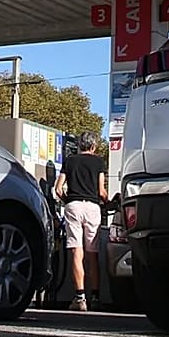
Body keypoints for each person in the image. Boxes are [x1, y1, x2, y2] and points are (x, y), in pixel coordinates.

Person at [55, 132, 107, 312]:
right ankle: (95, 298)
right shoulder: (99, 162)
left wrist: (67, 201)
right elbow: (101, 191)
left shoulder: (69, 161)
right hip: (92, 207)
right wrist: (109, 202)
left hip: (73, 206)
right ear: (94, 146)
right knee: (92, 253)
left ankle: (80, 299)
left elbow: (58, 188)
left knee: (77, 253)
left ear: (79, 145)